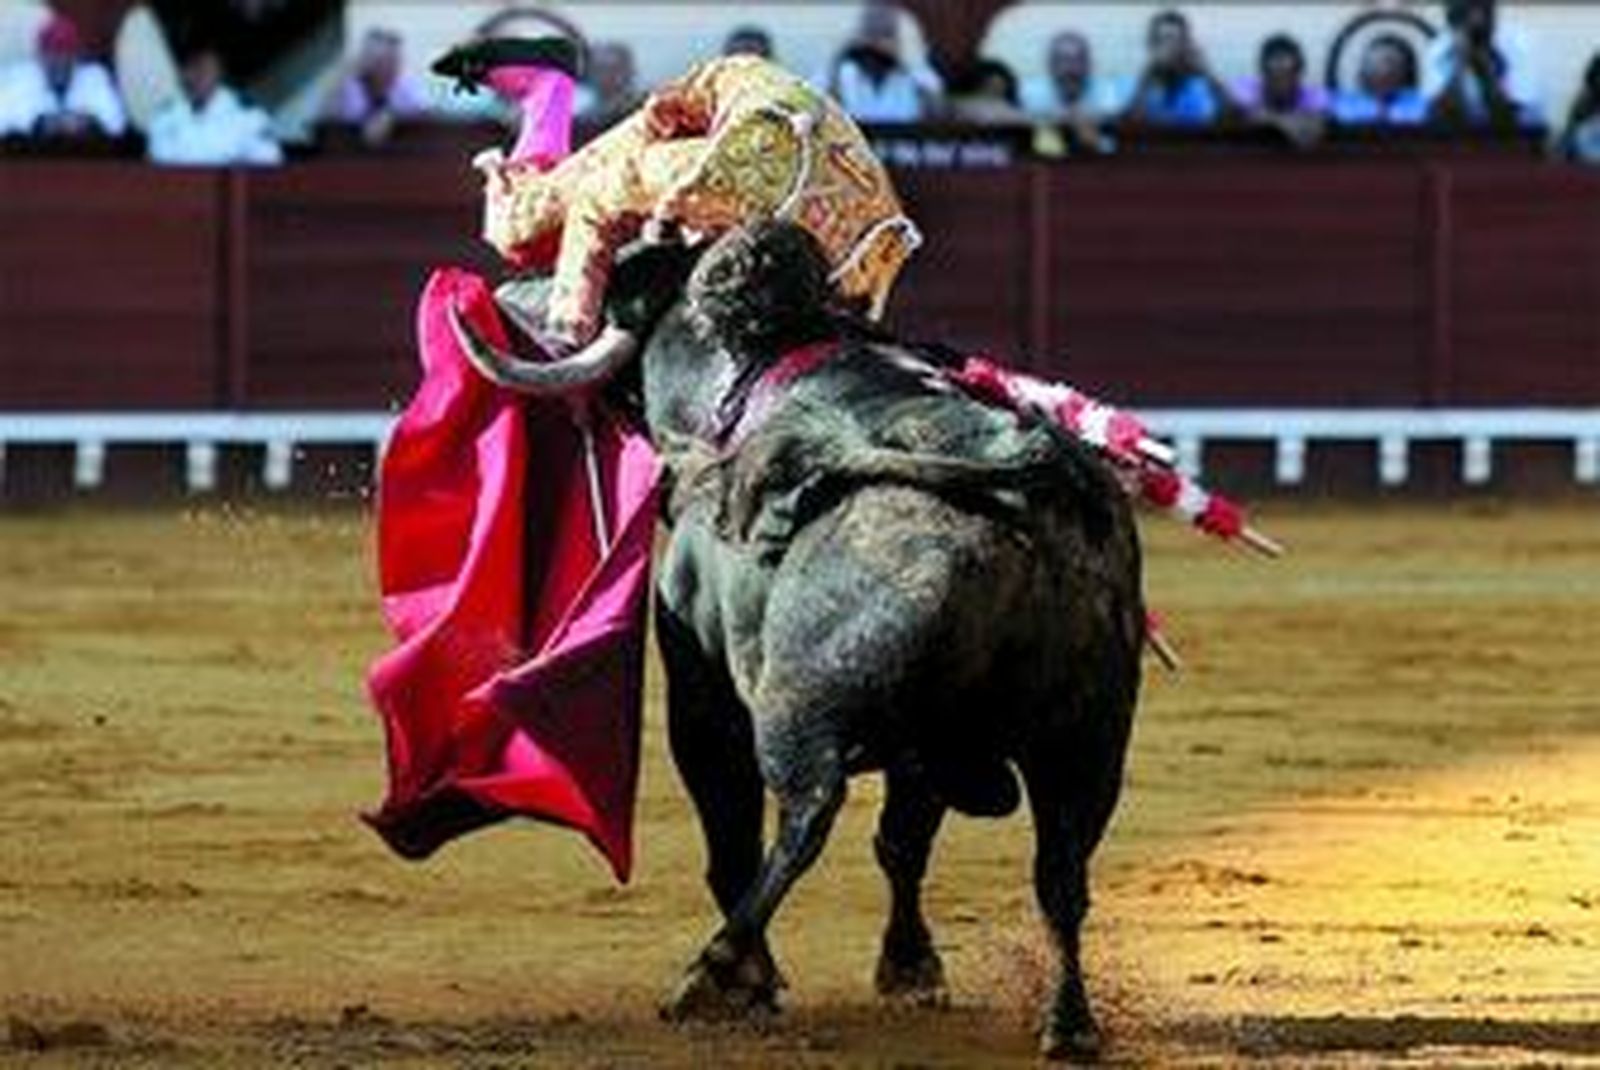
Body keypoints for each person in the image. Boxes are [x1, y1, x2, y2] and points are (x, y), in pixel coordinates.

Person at [146, 46, 283, 165]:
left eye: (203, 69)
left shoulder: (249, 116)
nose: (195, 76)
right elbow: (155, 164)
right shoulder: (165, 115)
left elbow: (268, 165)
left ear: (219, 72)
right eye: (190, 68)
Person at [0, 13, 127, 141]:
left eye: (67, 55)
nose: (60, 63)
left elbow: (117, 124)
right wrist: (40, 124)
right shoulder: (18, 77)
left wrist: (88, 122)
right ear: (40, 56)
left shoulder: (94, 76)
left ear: (78, 56)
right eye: (53, 56)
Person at [1423, 0, 1540, 128]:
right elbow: (1436, 120)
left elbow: (1519, 122)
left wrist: (1484, 72)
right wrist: (1459, 68)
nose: (1476, 22)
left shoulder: (1517, 45)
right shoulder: (1439, 50)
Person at [821, 1, 943, 123]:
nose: (878, 42)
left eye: (886, 34)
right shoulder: (841, 76)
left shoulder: (915, 80)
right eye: (872, 33)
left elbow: (937, 100)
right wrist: (841, 59)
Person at [1121, 9, 1239, 128]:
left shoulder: (1201, 83)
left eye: (1175, 40)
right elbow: (1127, 122)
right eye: (1161, 40)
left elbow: (1236, 117)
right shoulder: (1139, 82)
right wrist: (1146, 79)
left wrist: (1208, 74)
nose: (1169, 48)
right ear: (1151, 45)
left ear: (1186, 44)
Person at [323, 27, 428, 145]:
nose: (394, 68)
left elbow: (422, 113)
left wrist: (392, 117)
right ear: (371, 64)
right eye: (387, 62)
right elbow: (355, 124)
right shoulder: (353, 86)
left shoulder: (405, 81)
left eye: (396, 61)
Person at [1234, 34, 1327, 147]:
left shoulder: (1314, 97)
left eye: (1288, 74)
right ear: (1263, 73)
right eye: (1275, 75)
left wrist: (1270, 120)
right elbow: (1237, 115)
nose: (1281, 80)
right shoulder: (1245, 89)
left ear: (1298, 73)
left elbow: (1309, 135)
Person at [1332, 34, 1427, 126]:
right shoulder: (1348, 107)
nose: (1384, 77)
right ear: (1363, 76)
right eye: (1375, 70)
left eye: (1392, 73)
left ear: (1405, 76)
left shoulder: (1418, 108)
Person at [578, 42, 642, 131]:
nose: (606, 75)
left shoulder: (641, 108)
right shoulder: (584, 116)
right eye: (600, 69)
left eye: (615, 69)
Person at [1556, 53, 1600, 164]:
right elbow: (1588, 77)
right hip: (1595, 92)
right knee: (1579, 107)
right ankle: (1568, 144)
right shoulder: (1598, 58)